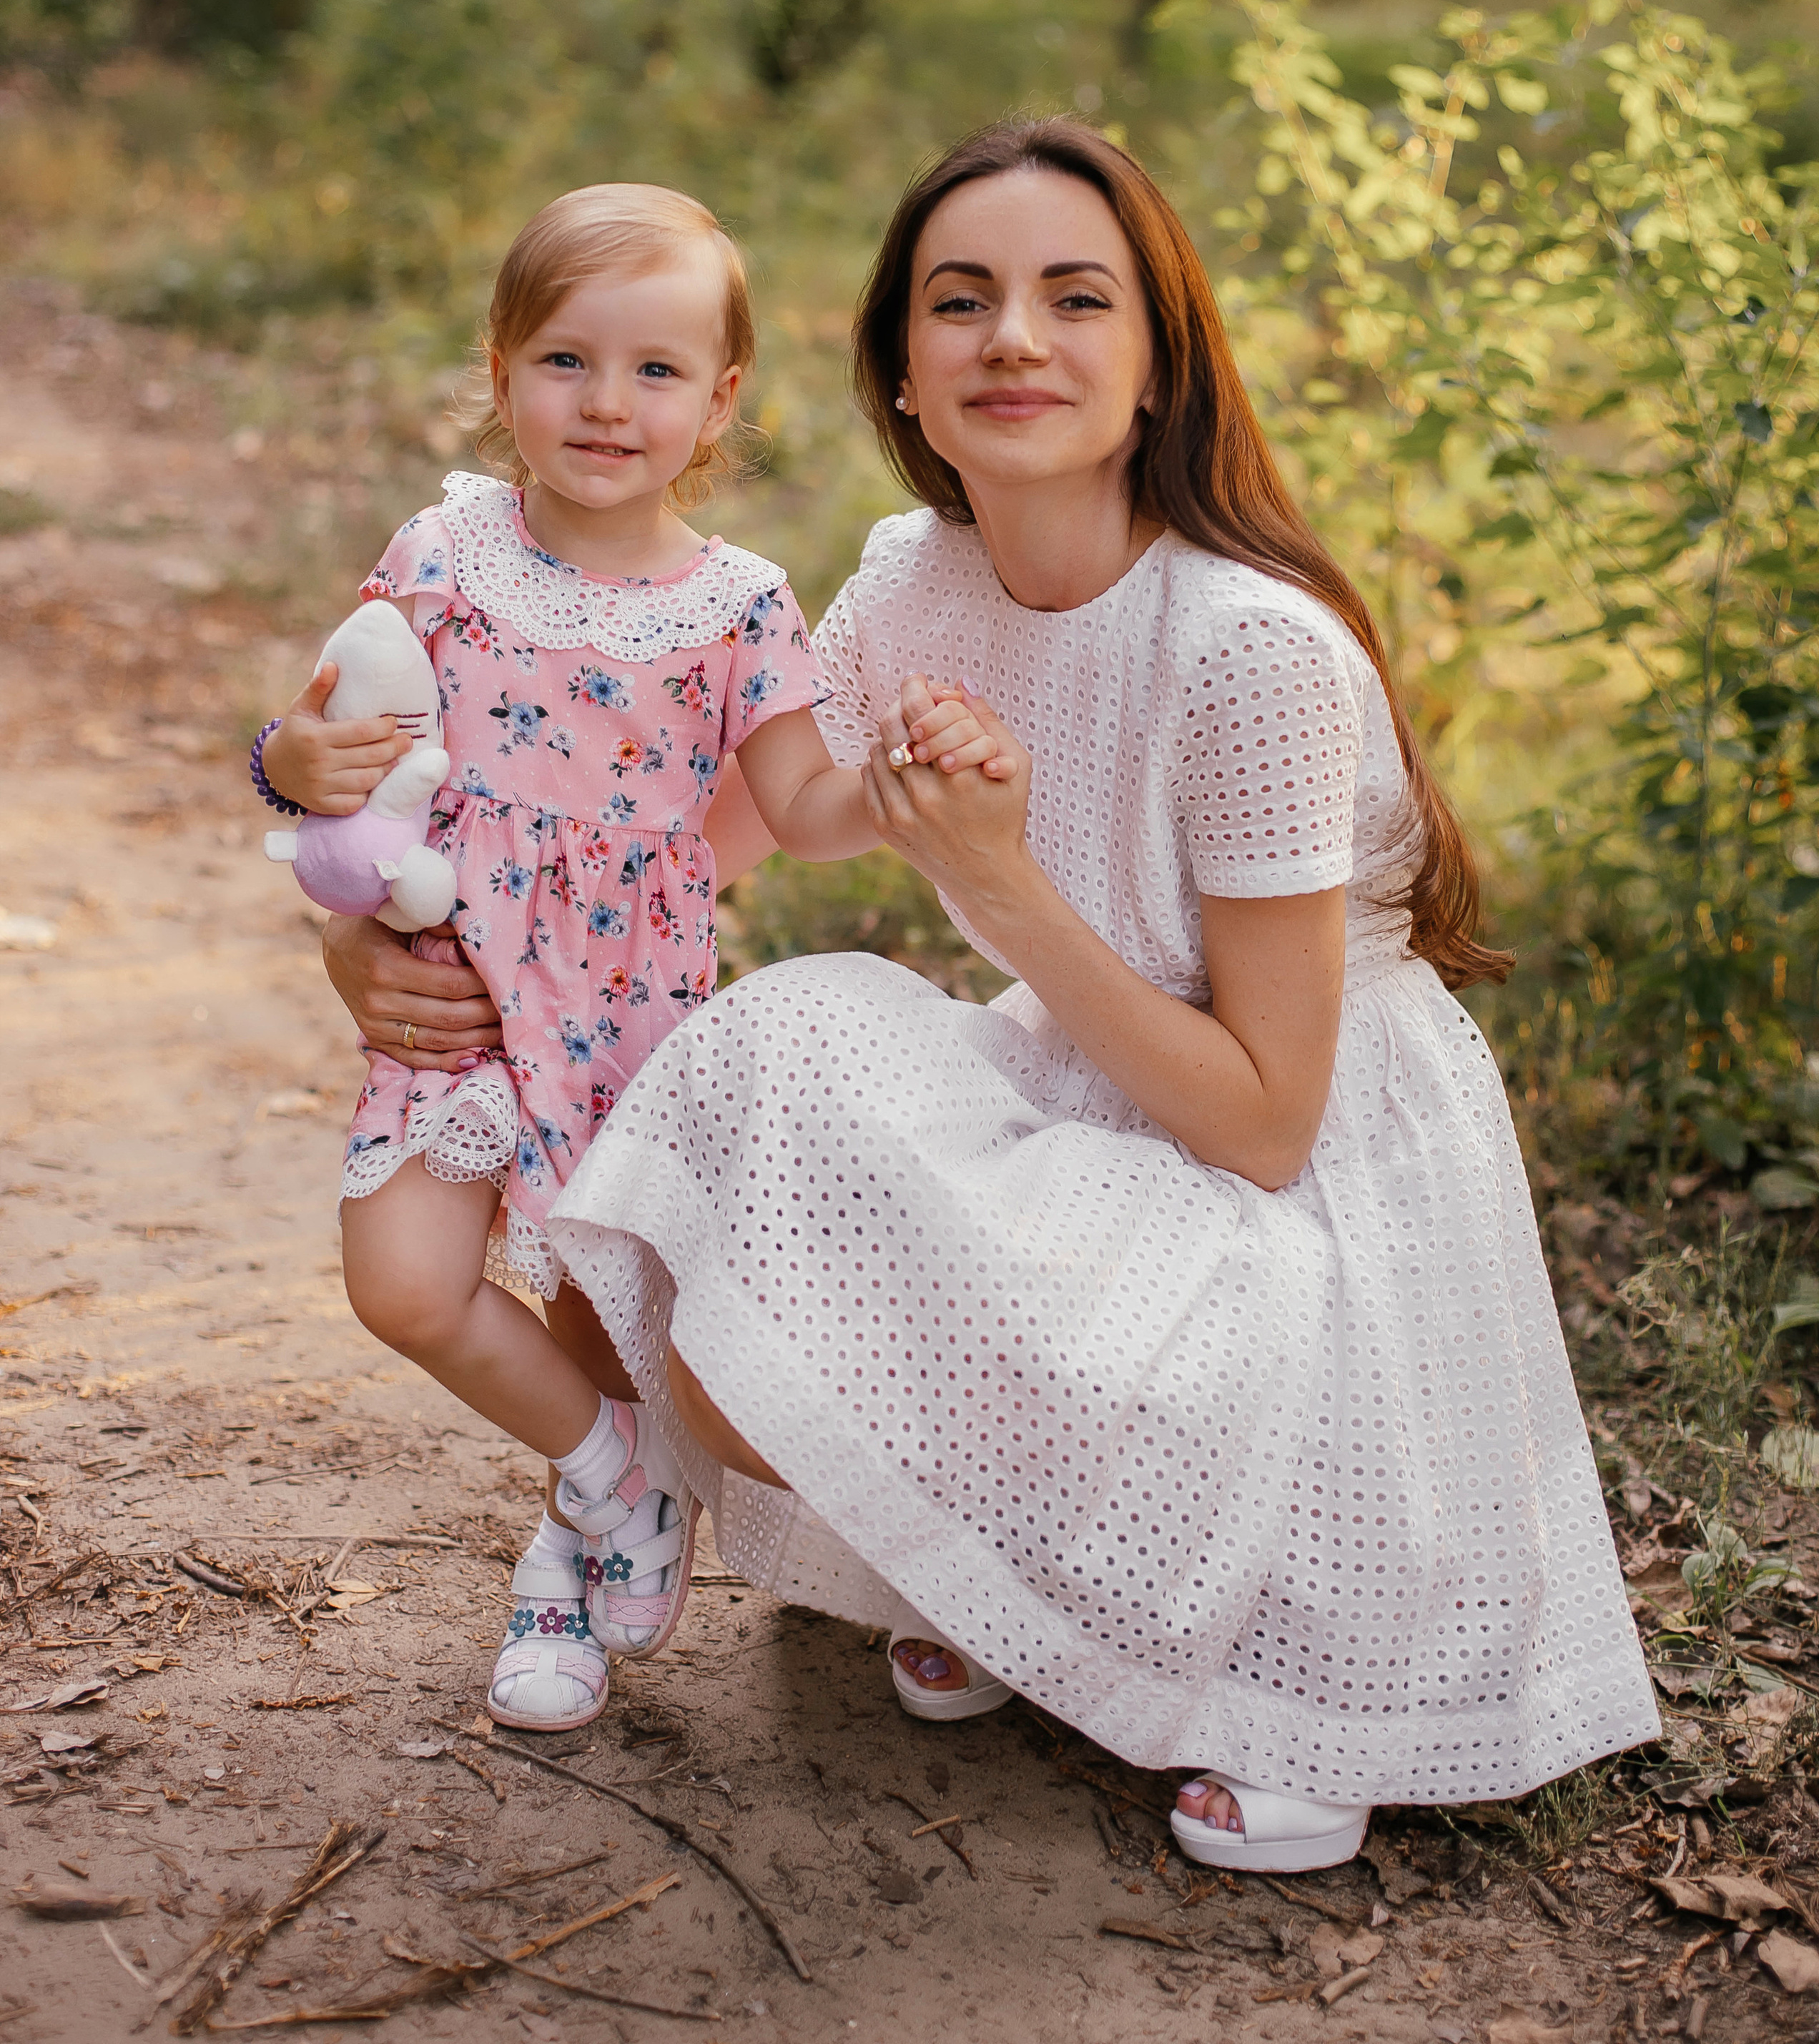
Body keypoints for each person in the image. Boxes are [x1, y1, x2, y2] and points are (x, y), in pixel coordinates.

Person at [326, 121, 1658, 1874]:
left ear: (1158, 356)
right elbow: (673, 857)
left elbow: (1264, 1123)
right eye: (960, 300)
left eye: (1074, 298)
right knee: (758, 1046)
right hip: (1080, 1084)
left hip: (1298, 1179)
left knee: (815, 1067)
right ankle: (913, 1561)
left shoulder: (1248, 647)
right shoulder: (914, 577)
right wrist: (398, 939)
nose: (1012, 337)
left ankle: (1241, 1649)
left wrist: (1005, 879)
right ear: (901, 365)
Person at [250, 180, 990, 1736]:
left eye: (656, 369)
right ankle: (620, 1475)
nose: (606, 403)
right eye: (566, 360)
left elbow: (802, 809)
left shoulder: (738, 606)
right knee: (404, 1284)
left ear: (718, 400)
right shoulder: (445, 551)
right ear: (502, 368)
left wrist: (897, 782)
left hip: (625, 1013)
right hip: (458, 991)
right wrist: (286, 763)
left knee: (590, 1313)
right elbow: (335, 736)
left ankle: (558, 1568)